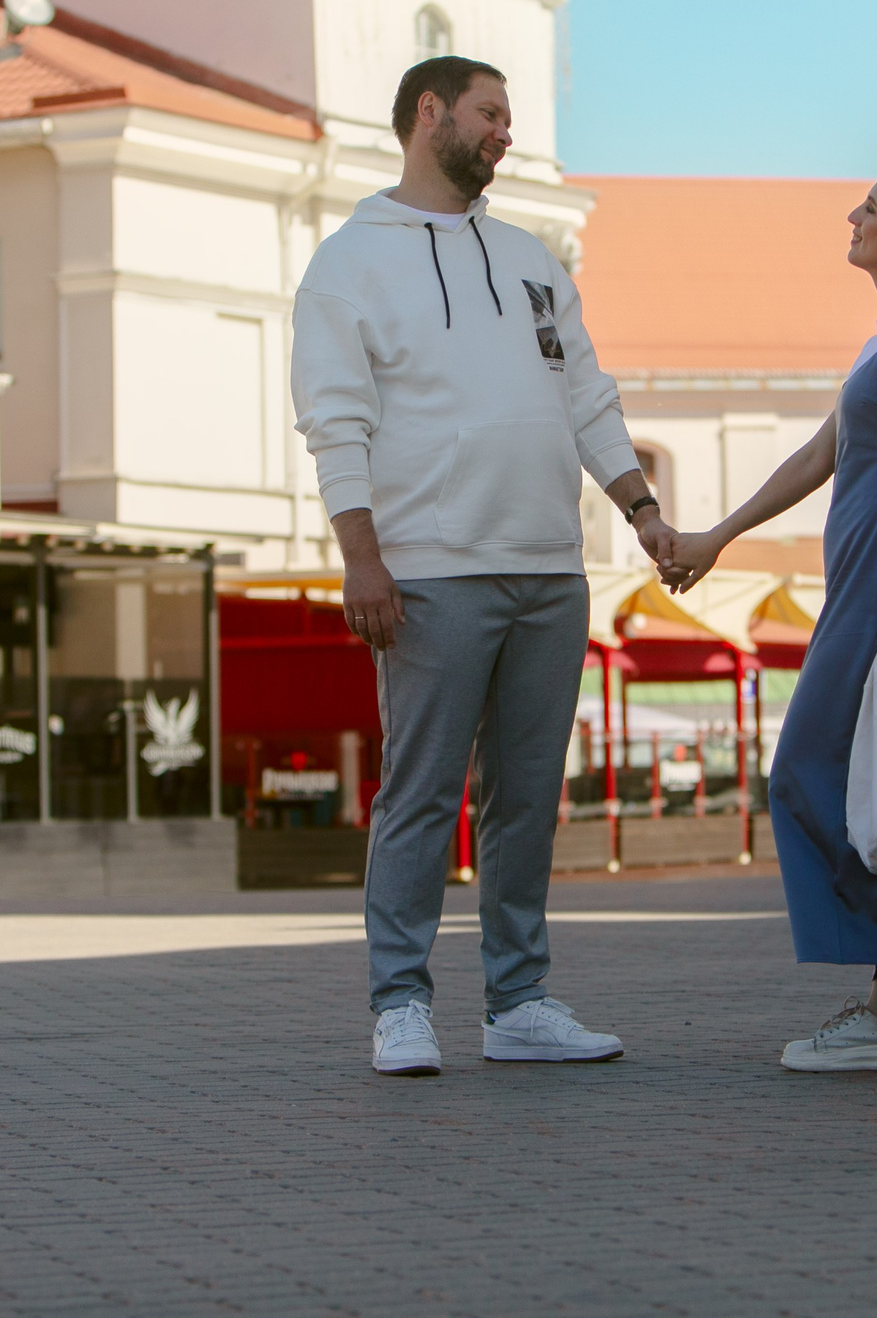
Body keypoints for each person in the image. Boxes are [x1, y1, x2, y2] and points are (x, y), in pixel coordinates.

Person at [292, 54, 670, 1077]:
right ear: (430, 113)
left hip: (550, 566)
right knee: (419, 792)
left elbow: (587, 398)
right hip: (428, 569)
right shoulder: (349, 262)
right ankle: (400, 1003)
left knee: (525, 797)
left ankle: (518, 1002)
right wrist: (360, 558)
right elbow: (336, 420)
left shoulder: (535, 258)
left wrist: (641, 510)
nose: (506, 133)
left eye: (509, 117)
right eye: (490, 113)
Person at [662, 159, 877, 1077]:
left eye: (873, 208)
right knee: (864, 780)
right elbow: (823, 455)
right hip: (865, 579)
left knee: (808, 774)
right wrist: (719, 534)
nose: (852, 216)